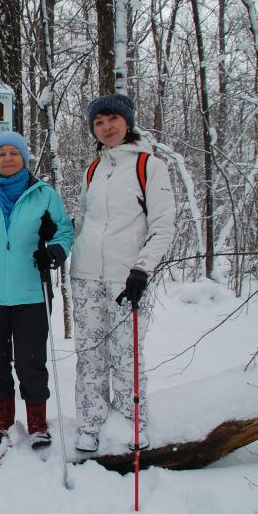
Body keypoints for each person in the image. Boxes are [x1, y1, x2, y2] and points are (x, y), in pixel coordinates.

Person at [70, 94, 175, 453]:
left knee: (126, 355)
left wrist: (142, 268)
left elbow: (163, 225)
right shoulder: (92, 170)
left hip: (125, 276)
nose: (106, 127)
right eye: (98, 123)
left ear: (127, 122)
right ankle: (90, 423)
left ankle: (133, 424)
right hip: (85, 276)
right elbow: (84, 221)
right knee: (89, 354)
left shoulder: (149, 166)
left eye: (112, 119)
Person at [0, 131, 73, 449]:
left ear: (25, 158)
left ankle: (37, 423)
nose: (7, 158)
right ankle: (3, 420)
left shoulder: (44, 194)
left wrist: (53, 253)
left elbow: (64, 229)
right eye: (1, 154)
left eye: (14, 153)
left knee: (30, 361)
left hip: (31, 293)